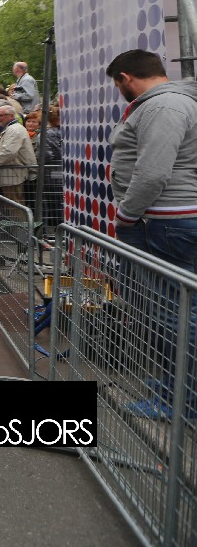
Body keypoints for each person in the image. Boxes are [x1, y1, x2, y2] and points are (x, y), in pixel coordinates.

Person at [105, 49, 197, 419]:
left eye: (117, 85)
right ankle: (178, 387)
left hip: (164, 222)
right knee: (171, 310)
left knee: (172, 314)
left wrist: (127, 215)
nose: (119, 91)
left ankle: (180, 400)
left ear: (126, 78)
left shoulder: (163, 106)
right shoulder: (168, 105)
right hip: (166, 220)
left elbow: (153, 171)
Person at [0, 103, 35, 205]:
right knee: (12, 206)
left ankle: (19, 217)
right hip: (11, 175)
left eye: (1, 115)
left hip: (14, 176)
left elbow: (9, 152)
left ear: (11, 116)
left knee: (15, 206)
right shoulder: (11, 128)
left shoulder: (14, 129)